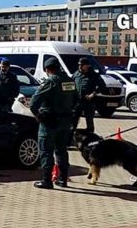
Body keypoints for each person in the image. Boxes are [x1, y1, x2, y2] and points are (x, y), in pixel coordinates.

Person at [30, 58, 78, 189]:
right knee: (61, 150)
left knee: (46, 151)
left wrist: (39, 116)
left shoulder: (50, 82)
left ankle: (47, 180)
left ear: (47, 69)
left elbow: (33, 103)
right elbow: (76, 99)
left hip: (49, 122)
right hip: (65, 121)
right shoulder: (69, 81)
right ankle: (62, 179)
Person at [72, 57, 105, 133]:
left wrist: (93, 94)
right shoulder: (76, 74)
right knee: (73, 122)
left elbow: (102, 86)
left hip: (88, 102)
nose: (80, 67)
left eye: (82, 65)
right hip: (77, 102)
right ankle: (70, 137)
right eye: (79, 65)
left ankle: (90, 136)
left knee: (89, 122)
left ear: (87, 66)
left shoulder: (94, 75)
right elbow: (71, 85)